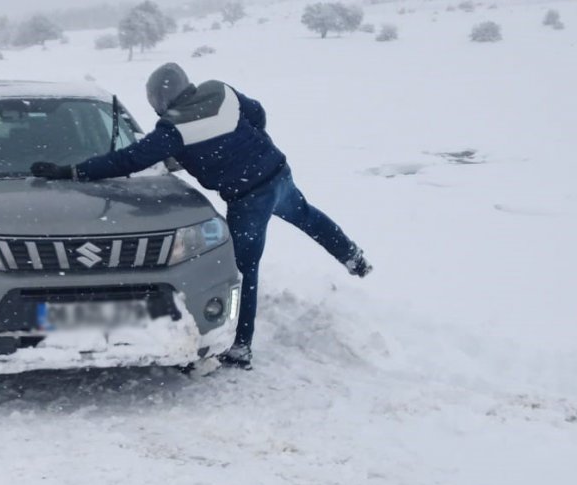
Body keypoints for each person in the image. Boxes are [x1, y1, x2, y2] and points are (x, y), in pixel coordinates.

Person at [31, 63, 371, 370]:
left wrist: (73, 170)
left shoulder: (173, 131)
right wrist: (249, 144)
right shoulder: (220, 91)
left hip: (247, 198)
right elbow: (257, 113)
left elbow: (128, 161)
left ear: (159, 100)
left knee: (242, 269)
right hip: (277, 173)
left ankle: (241, 347)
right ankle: (353, 256)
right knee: (309, 218)